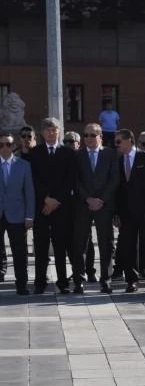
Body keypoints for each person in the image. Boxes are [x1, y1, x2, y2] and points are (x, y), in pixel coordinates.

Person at [28, 117, 78, 294]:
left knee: (60, 246)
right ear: (42, 132)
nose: (51, 132)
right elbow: (33, 180)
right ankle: (40, 282)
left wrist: (56, 201)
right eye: (47, 129)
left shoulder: (69, 153)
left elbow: (70, 180)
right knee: (41, 246)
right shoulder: (34, 154)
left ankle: (63, 282)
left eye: (54, 129)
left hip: (61, 207)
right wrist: (46, 199)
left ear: (59, 131)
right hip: (42, 207)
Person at [113, 129, 145, 292]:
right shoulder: (118, 160)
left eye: (119, 141)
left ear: (130, 141)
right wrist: (116, 213)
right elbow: (117, 189)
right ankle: (131, 280)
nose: (116, 144)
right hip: (126, 212)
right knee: (129, 246)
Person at [73, 124, 119, 293]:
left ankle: (105, 279)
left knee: (105, 243)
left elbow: (114, 179)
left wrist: (101, 199)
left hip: (104, 205)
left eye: (92, 135)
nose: (89, 138)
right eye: (85, 135)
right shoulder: (77, 155)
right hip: (83, 205)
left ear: (100, 137)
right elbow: (75, 180)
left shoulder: (110, 154)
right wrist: (87, 199)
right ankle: (79, 280)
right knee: (80, 244)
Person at [0, 133, 34, 295]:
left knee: (19, 252)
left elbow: (29, 193)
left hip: (18, 215)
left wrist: (29, 216)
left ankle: (21, 284)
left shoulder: (23, 165)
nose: (5, 148)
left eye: (8, 144)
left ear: (14, 146)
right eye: (1, 145)